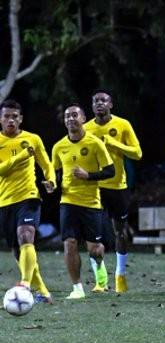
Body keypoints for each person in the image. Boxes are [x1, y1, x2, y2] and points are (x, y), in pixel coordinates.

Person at [51, 104, 115, 299]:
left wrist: (89, 176)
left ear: (83, 118)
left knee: (94, 250)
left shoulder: (95, 143)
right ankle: (77, 288)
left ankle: (99, 266)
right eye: (67, 116)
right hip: (68, 201)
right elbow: (55, 173)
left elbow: (110, 171)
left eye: (74, 115)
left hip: (91, 203)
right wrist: (52, 184)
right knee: (69, 243)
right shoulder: (58, 146)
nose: (70, 119)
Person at [84, 90, 142, 293]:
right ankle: (100, 280)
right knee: (93, 235)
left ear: (111, 104)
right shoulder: (86, 128)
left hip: (117, 187)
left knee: (120, 232)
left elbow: (137, 153)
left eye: (104, 100)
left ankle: (120, 274)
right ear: (92, 106)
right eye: (96, 101)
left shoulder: (123, 125)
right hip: (94, 188)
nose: (100, 103)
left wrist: (115, 143)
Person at [0, 99, 56, 302]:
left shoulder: (33, 139)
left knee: (26, 235)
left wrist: (51, 180)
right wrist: (22, 156)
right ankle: (42, 290)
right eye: (6, 116)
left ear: (21, 119)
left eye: (15, 116)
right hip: (4, 201)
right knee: (17, 250)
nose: (11, 120)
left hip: (29, 196)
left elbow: (46, 164)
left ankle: (24, 283)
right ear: (0, 119)